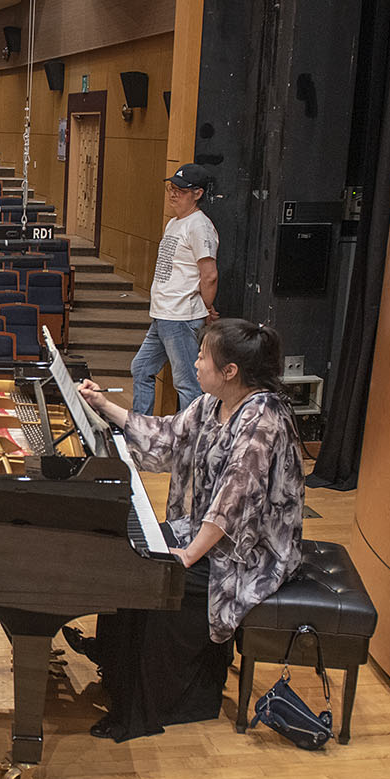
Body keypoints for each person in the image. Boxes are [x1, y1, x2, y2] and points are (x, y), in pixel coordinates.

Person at [74, 318, 305, 743]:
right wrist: (103, 405)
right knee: (128, 552)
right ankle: (116, 669)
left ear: (230, 371)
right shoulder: (213, 404)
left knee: (153, 574)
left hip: (251, 553)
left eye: (202, 357)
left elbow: (235, 499)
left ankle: (146, 707)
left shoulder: (263, 420)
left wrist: (189, 554)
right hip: (210, 532)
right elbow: (166, 436)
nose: (195, 363)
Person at [131, 164, 220, 415]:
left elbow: (209, 275)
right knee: (141, 368)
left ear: (198, 194)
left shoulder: (199, 226)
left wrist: (205, 308)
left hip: (180, 315)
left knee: (187, 382)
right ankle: (141, 427)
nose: (173, 194)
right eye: (171, 188)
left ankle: (191, 434)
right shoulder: (174, 223)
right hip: (164, 314)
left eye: (181, 190)